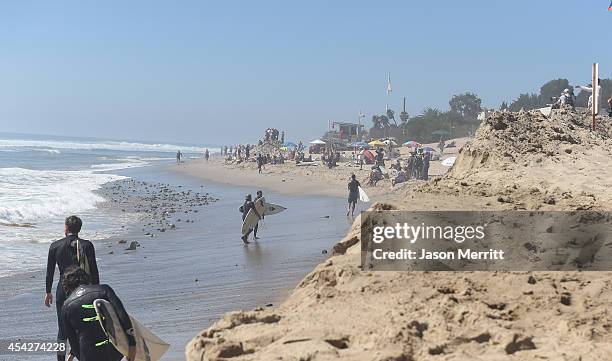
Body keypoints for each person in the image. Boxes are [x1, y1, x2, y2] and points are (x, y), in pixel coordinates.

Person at [45, 216, 100, 361]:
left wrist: (47, 292)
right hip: (82, 290)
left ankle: (61, 359)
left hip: (62, 289)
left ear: (66, 228)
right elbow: (94, 270)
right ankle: (81, 355)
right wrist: (96, 290)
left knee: (62, 328)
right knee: (82, 325)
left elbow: (50, 271)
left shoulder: (55, 246)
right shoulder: (87, 246)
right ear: (79, 229)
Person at [61, 266, 135, 361]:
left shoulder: (66, 306)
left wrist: (81, 357)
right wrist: (132, 345)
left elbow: (73, 341)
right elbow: (122, 316)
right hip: (113, 351)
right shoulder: (104, 290)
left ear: (67, 285)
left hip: (88, 354)